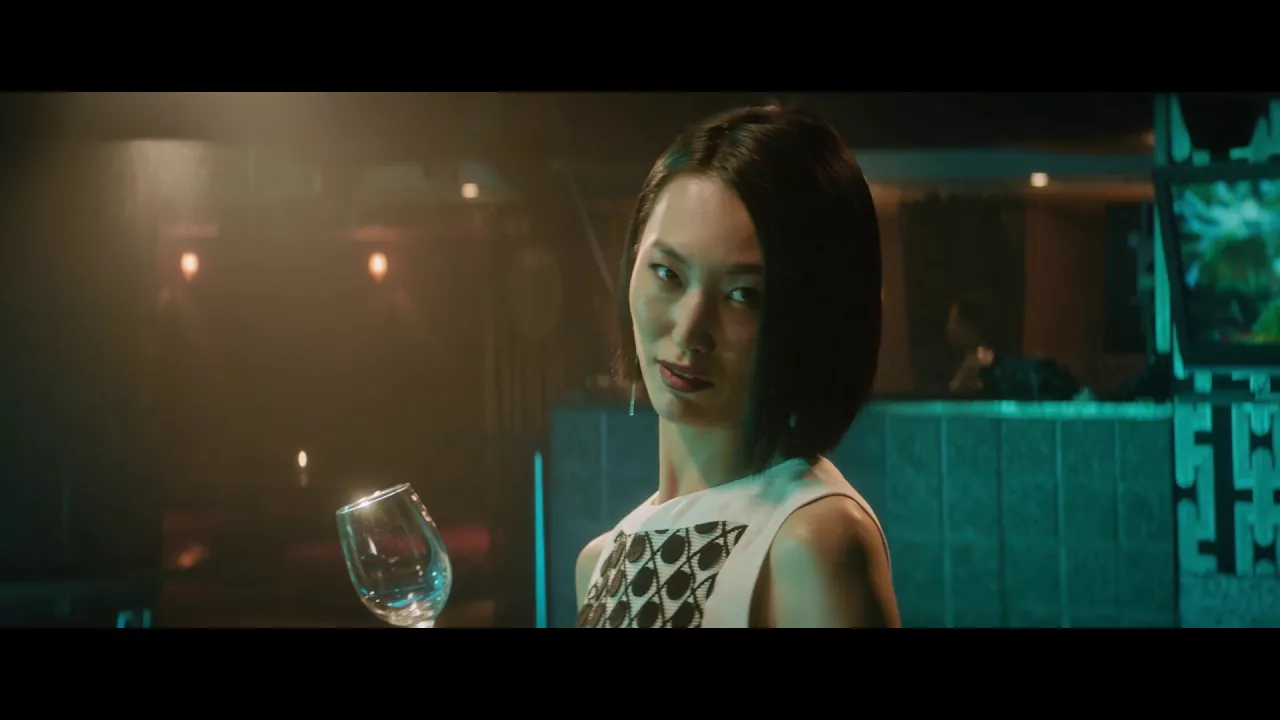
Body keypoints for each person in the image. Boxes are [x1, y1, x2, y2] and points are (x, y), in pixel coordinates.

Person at [574, 105, 899, 628]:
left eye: (743, 295)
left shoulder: (812, 543)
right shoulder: (598, 563)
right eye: (667, 274)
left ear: (814, 318)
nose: (689, 330)